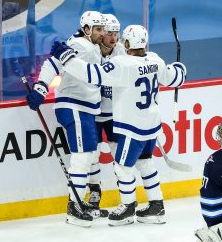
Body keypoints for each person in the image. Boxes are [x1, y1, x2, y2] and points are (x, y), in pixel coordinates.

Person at [49, 24, 187, 226]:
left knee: (123, 167)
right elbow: (175, 77)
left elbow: (91, 74)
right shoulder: (155, 60)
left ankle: (128, 208)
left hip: (133, 128)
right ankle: (157, 206)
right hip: (152, 126)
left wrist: (66, 58)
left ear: (128, 42)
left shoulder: (122, 64)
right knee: (145, 162)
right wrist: (180, 68)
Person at [26, 10, 107, 227]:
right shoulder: (80, 45)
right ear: (87, 29)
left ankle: (81, 202)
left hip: (85, 108)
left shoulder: (89, 46)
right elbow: (52, 64)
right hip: (74, 106)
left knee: (90, 154)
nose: (102, 33)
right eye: (98, 29)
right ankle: (74, 208)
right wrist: (41, 88)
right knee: (82, 156)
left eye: (102, 29)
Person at [88, 13, 126, 208]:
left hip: (115, 115)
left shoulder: (122, 53)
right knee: (92, 155)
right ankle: (94, 192)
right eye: (109, 33)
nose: (113, 37)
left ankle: (125, 194)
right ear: (101, 33)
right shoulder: (90, 51)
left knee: (119, 155)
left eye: (116, 33)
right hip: (93, 113)